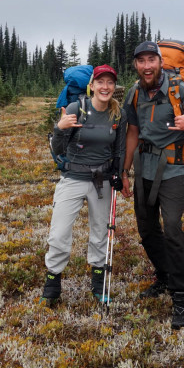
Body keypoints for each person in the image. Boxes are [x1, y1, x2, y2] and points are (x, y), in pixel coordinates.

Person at [120, 41, 184, 329]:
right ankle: (163, 275)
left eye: (152, 60)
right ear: (135, 65)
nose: (146, 66)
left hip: (173, 169)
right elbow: (133, 133)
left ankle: (180, 295)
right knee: (147, 229)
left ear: (160, 62)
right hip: (144, 170)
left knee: (172, 228)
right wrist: (125, 172)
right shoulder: (135, 93)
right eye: (141, 61)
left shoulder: (180, 90)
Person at [42, 64, 127, 305]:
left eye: (110, 82)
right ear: (92, 85)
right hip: (72, 179)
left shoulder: (118, 114)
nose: (105, 87)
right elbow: (57, 149)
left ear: (114, 87)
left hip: (102, 182)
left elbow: (119, 149)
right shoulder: (76, 108)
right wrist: (59, 129)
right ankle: (52, 283)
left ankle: (98, 282)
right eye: (100, 82)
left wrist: (119, 173)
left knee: (100, 233)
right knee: (59, 234)